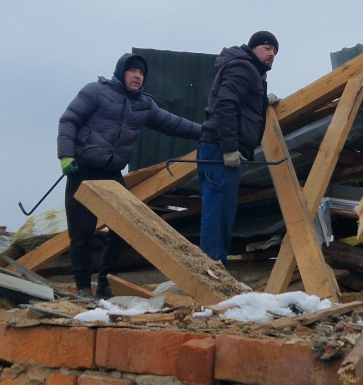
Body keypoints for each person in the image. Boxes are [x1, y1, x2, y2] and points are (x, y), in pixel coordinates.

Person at [58, 52, 202, 299]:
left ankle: (106, 282)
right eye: (133, 71)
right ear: (121, 72)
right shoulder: (96, 92)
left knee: (122, 228)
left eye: (141, 73)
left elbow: (174, 123)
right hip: (82, 169)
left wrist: (208, 133)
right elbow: (69, 120)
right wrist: (66, 156)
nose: (137, 76)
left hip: (111, 173)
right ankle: (83, 287)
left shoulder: (144, 105)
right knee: (81, 231)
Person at [197, 31, 279, 267]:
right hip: (220, 151)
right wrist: (229, 148)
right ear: (252, 49)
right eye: (266, 48)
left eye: (275, 51)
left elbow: (238, 103)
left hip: (220, 149)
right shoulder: (244, 68)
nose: (271, 53)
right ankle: (212, 269)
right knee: (218, 213)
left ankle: (215, 267)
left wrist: (261, 100)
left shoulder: (250, 72)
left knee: (223, 212)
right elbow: (226, 104)